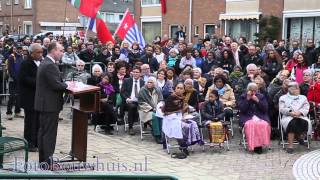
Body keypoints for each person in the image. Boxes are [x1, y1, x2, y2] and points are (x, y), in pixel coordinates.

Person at [34, 42, 68, 167]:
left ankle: (43, 161)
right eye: (61, 50)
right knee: (49, 134)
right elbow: (56, 85)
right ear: (54, 51)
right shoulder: (49, 65)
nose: (62, 53)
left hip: (45, 104)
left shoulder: (46, 63)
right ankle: (48, 162)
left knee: (43, 132)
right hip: (49, 105)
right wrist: (67, 85)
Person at [162, 83, 201, 156]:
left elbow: (183, 111)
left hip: (179, 118)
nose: (179, 90)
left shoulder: (182, 98)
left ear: (183, 90)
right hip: (170, 119)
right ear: (175, 88)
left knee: (192, 124)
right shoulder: (171, 98)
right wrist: (180, 116)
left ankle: (187, 144)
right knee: (181, 126)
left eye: (181, 88)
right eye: (178, 88)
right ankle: (183, 146)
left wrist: (184, 115)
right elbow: (167, 112)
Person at [19, 43, 43, 152]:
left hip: (39, 97)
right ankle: (29, 143)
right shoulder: (26, 63)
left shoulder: (41, 63)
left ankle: (37, 142)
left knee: (38, 121)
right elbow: (24, 79)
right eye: (38, 52)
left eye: (41, 52)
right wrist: (39, 82)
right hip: (29, 97)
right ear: (31, 53)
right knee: (30, 121)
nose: (40, 54)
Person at [238, 83, 270, 153]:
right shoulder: (243, 97)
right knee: (250, 125)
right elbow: (242, 109)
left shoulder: (261, 96)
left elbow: (265, 109)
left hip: (260, 116)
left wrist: (258, 101)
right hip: (247, 117)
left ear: (257, 90)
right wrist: (247, 99)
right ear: (247, 90)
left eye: (255, 90)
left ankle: (260, 145)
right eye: (251, 90)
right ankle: (254, 146)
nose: (253, 92)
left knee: (263, 125)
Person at [279, 82, 311, 153]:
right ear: (290, 90)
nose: (297, 90)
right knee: (292, 123)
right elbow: (281, 109)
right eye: (295, 89)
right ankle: (291, 145)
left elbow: (306, 107)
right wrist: (290, 112)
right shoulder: (283, 98)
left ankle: (299, 137)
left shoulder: (303, 97)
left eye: (298, 89)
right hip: (288, 117)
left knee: (303, 122)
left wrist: (300, 112)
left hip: (301, 116)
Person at [138, 77, 163, 143]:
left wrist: (158, 108)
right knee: (155, 116)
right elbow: (141, 103)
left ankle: (161, 134)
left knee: (160, 116)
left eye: (151, 82)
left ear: (154, 84)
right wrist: (151, 109)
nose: (149, 83)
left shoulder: (158, 90)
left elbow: (161, 101)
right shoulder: (142, 90)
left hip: (156, 110)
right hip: (145, 111)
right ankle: (157, 135)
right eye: (148, 82)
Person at [121, 66, 145, 135]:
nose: (135, 74)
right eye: (134, 72)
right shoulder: (126, 80)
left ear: (140, 73)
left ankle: (147, 125)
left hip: (139, 102)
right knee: (132, 107)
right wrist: (127, 98)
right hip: (129, 101)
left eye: (137, 72)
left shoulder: (143, 82)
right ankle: (130, 127)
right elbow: (122, 92)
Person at [6, 45, 24, 120]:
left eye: (20, 49)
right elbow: (10, 69)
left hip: (20, 80)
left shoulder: (22, 57)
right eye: (18, 49)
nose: (19, 50)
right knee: (12, 96)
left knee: (19, 96)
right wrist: (15, 78)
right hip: (13, 80)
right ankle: (9, 112)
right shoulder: (11, 57)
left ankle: (17, 111)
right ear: (15, 49)